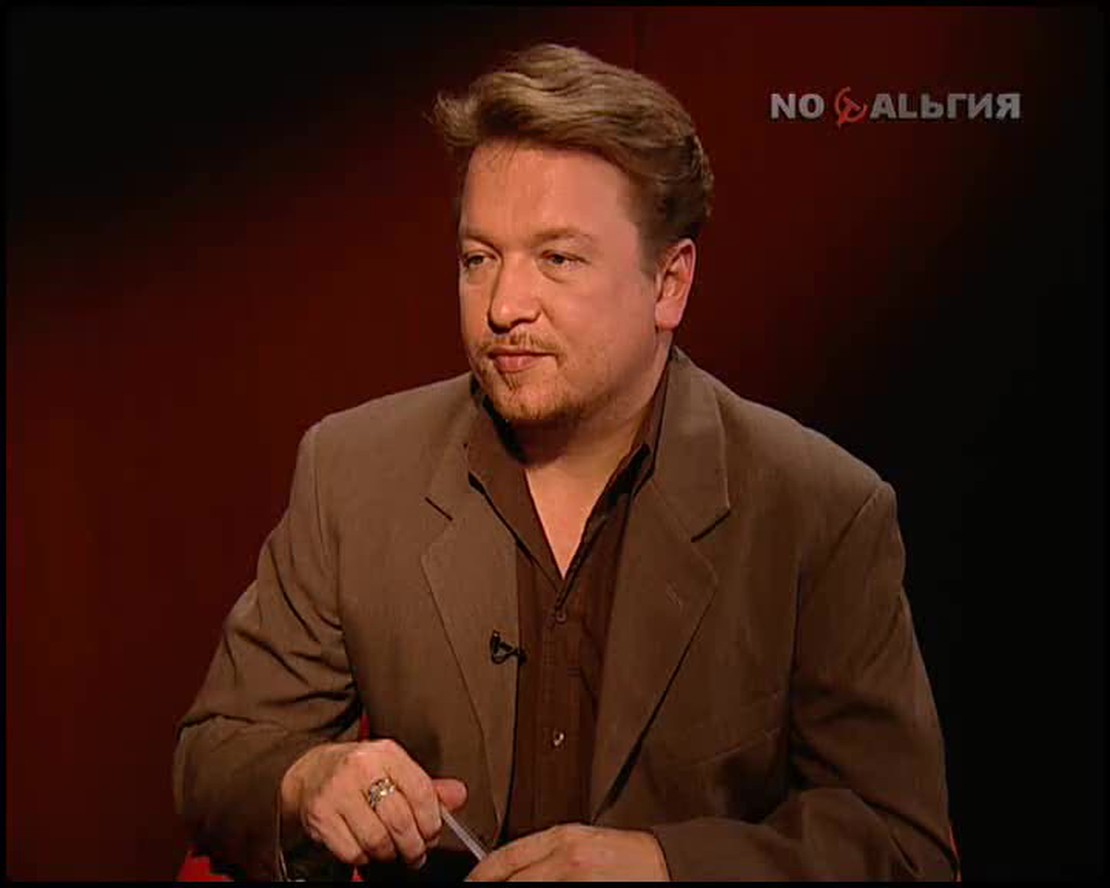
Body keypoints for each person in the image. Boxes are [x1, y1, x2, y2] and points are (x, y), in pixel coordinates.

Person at [174, 43, 957, 881]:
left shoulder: (820, 510)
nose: (504, 306)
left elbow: (903, 846)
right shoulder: (353, 472)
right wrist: (307, 781)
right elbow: (215, 757)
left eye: (558, 258)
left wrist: (664, 867)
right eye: (479, 259)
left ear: (670, 283)